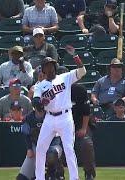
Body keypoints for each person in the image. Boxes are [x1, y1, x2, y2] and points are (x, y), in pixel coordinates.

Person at [33, 45, 86, 180]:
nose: (50, 67)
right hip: (49, 118)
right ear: (43, 69)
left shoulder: (65, 77)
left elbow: (82, 72)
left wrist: (75, 56)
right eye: (47, 65)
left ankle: (74, 178)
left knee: (69, 149)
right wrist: (43, 102)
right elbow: (36, 103)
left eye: (52, 64)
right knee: (40, 149)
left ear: (55, 66)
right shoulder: (40, 85)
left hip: (65, 116)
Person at [15, 101, 65, 180]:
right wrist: (29, 148)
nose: (41, 112)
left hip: (53, 146)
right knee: (21, 178)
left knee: (51, 153)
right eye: (39, 110)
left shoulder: (52, 116)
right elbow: (26, 135)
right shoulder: (28, 118)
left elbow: (58, 136)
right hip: (36, 147)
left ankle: (55, 172)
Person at [71, 83, 96, 180]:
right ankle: (56, 173)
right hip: (61, 127)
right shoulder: (55, 90)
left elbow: (86, 110)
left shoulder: (79, 89)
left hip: (80, 124)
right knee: (54, 148)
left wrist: (84, 128)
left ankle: (89, 172)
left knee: (86, 144)